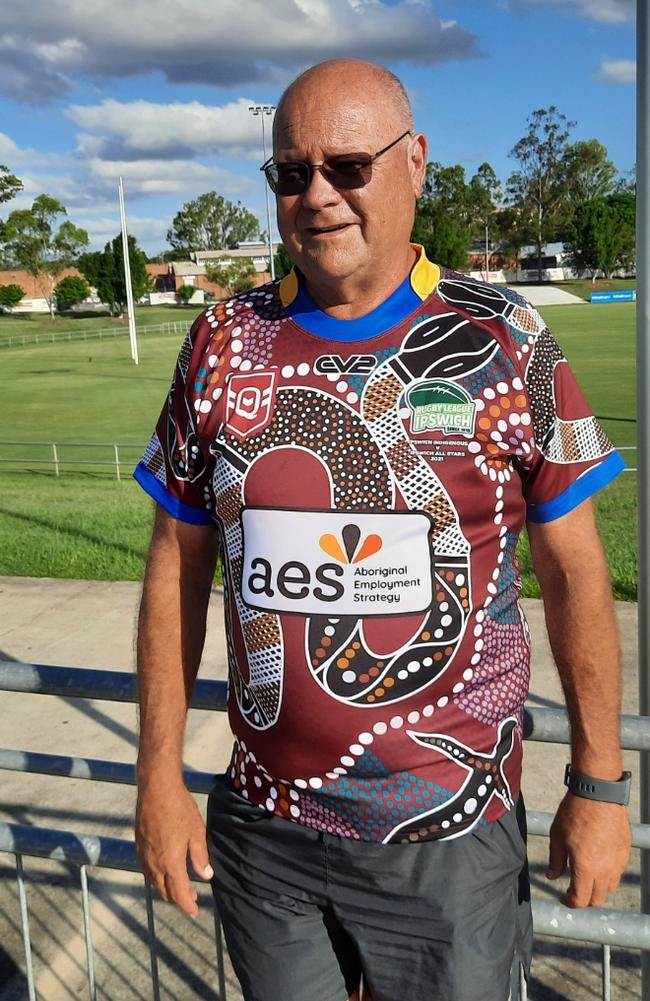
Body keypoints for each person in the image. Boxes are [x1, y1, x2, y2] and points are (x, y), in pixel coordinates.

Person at [134, 58, 632, 1001]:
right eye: (292, 171)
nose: (318, 195)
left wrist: (599, 784)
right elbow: (175, 566)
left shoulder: (504, 338)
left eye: (349, 166)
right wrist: (157, 777)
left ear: (416, 164)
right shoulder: (219, 340)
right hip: (266, 835)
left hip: (448, 846)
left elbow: (574, 571)